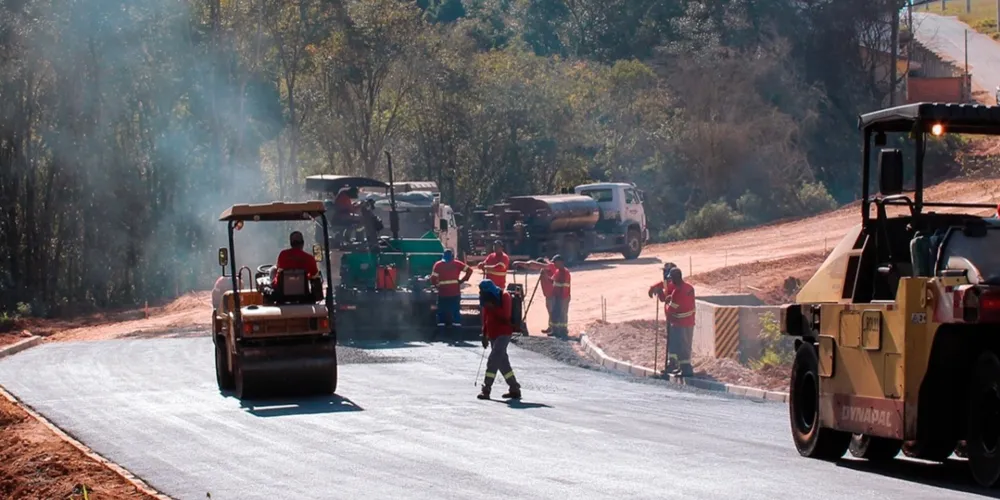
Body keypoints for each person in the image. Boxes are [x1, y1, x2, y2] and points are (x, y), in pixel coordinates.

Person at [477, 279, 522, 400]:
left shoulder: (505, 296)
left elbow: (506, 316)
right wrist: (484, 334)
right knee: (502, 362)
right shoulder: (485, 298)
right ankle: (514, 388)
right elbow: (485, 317)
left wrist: (493, 307)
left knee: (493, 359)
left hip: (504, 332)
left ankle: (486, 389)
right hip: (492, 333)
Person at [654, 267, 695, 377]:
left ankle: (685, 370)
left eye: (671, 279)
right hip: (689, 322)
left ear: (675, 278)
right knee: (685, 346)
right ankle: (683, 368)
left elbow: (671, 309)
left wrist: (667, 302)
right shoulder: (689, 288)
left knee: (680, 346)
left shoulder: (677, 292)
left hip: (679, 323)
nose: (670, 281)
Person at [430, 249, 473, 338]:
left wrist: (437, 286)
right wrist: (462, 280)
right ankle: (456, 333)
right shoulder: (457, 263)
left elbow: (433, 279)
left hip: (443, 293)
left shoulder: (438, 265)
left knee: (441, 312)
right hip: (455, 293)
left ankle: (441, 333)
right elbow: (470, 270)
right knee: (455, 312)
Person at [511, 256, 559, 334]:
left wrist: (520, 263)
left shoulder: (550, 266)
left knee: (552, 311)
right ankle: (551, 327)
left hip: (553, 294)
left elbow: (532, 265)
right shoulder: (546, 268)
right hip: (548, 295)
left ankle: (555, 329)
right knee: (550, 311)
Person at [548, 255, 571, 338]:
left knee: (562, 314)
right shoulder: (557, 271)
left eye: (555, 262)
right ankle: (555, 330)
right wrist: (544, 276)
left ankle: (563, 331)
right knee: (555, 313)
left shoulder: (565, 272)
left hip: (563, 297)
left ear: (560, 262)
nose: (554, 264)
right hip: (557, 296)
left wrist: (561, 299)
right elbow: (552, 281)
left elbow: (564, 287)